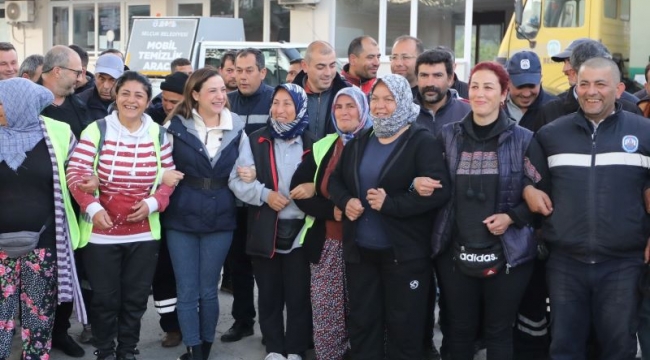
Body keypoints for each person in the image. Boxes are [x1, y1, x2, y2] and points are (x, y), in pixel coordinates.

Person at [523, 57, 650, 360]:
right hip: (566, 263)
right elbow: (526, 179)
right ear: (575, 87)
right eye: (584, 84)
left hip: (623, 264)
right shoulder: (551, 135)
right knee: (564, 347)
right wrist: (527, 189)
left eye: (600, 84)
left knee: (618, 348)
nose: (591, 91)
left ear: (618, 89)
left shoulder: (644, 132)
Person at [328, 74, 451, 360]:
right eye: (375, 99)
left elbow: (439, 192)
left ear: (404, 101)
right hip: (362, 253)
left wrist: (391, 204)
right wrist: (347, 202)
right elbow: (336, 182)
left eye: (389, 99)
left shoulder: (421, 141)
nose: (380, 106)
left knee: (404, 329)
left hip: (404, 256)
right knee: (363, 325)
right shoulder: (361, 139)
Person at [423, 61, 537, 360]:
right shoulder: (447, 136)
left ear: (503, 94)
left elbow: (542, 196)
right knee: (458, 330)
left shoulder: (524, 139)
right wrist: (414, 186)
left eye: (488, 87)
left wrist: (512, 217)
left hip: (508, 253)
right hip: (455, 251)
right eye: (474, 86)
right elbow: (426, 185)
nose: (479, 93)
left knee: (499, 331)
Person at [66, 71, 176, 360]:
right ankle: (105, 350)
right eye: (125, 93)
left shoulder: (159, 134)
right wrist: (93, 208)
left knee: (136, 298)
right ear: (116, 96)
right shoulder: (96, 130)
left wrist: (153, 204)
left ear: (146, 100)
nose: (131, 100)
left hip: (144, 233)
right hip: (101, 233)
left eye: (139, 95)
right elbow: (75, 174)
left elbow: (168, 178)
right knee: (105, 298)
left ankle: (127, 350)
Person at [0, 78, 86, 360]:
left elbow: (79, 172)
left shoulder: (59, 132)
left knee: (38, 317)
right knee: (1, 319)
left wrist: (89, 181)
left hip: (44, 244)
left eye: (1, 102)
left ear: (18, 105)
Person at [229, 83, 316, 360]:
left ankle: (296, 348)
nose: (280, 110)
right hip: (265, 229)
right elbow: (236, 182)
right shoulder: (254, 140)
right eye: (276, 103)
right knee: (268, 294)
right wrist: (265, 195)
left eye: (288, 104)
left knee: (299, 295)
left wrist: (313, 190)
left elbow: (326, 183)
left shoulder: (315, 143)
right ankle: (275, 348)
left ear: (300, 107)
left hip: (303, 232)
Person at [164, 67, 245, 360]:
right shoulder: (175, 125)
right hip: (181, 217)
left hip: (221, 215)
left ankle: (205, 349)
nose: (220, 96)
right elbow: (158, 162)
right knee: (186, 290)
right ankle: (193, 348)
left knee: (208, 289)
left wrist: (249, 174)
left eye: (223, 90)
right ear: (195, 94)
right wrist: (162, 174)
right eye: (212, 90)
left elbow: (243, 168)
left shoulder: (236, 125)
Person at [290, 86, 371, 360]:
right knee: (327, 315)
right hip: (327, 243)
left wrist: (322, 192)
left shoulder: (377, 142)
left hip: (366, 244)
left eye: (351, 106)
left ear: (364, 109)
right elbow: (297, 192)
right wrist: (332, 211)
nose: (345, 112)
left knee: (364, 311)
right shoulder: (325, 145)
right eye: (339, 107)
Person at [39, 44, 91, 358]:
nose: (80, 77)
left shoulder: (80, 107)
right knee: (37, 278)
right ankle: (36, 335)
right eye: (76, 72)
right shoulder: (28, 102)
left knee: (69, 273)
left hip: (71, 207)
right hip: (35, 205)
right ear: (58, 71)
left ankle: (60, 332)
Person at [221, 48, 275, 344]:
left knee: (266, 267)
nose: (241, 76)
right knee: (238, 265)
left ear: (262, 72)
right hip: (233, 200)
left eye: (248, 70)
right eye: (237, 70)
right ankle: (243, 321)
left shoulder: (274, 101)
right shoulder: (226, 103)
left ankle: (271, 328)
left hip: (264, 198)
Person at [144, 72, 189, 348]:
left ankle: (191, 323)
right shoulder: (153, 122)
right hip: (159, 210)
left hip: (188, 210)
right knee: (163, 272)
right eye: (166, 101)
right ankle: (170, 326)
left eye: (175, 101)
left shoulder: (199, 124)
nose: (169, 106)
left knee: (188, 274)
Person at [537, 38, 640, 130]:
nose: (565, 69)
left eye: (571, 61)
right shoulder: (551, 109)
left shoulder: (631, 107)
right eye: (565, 62)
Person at [293, 40, 350, 140]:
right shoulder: (289, 95)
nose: (328, 73)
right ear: (305, 66)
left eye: (332, 66)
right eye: (320, 67)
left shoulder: (348, 94)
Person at [415, 49, 471, 136]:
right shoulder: (403, 115)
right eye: (424, 75)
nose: (430, 83)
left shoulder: (468, 113)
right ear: (417, 78)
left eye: (437, 76)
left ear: (450, 78)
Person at [504, 51, 557, 131]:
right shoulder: (495, 108)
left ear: (540, 79)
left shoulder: (555, 108)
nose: (526, 94)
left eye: (531, 86)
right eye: (520, 86)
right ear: (508, 82)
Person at [79, 53, 125, 121]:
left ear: (121, 80)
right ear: (95, 77)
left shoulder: (129, 103)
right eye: (101, 79)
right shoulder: (80, 103)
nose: (106, 86)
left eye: (112, 80)